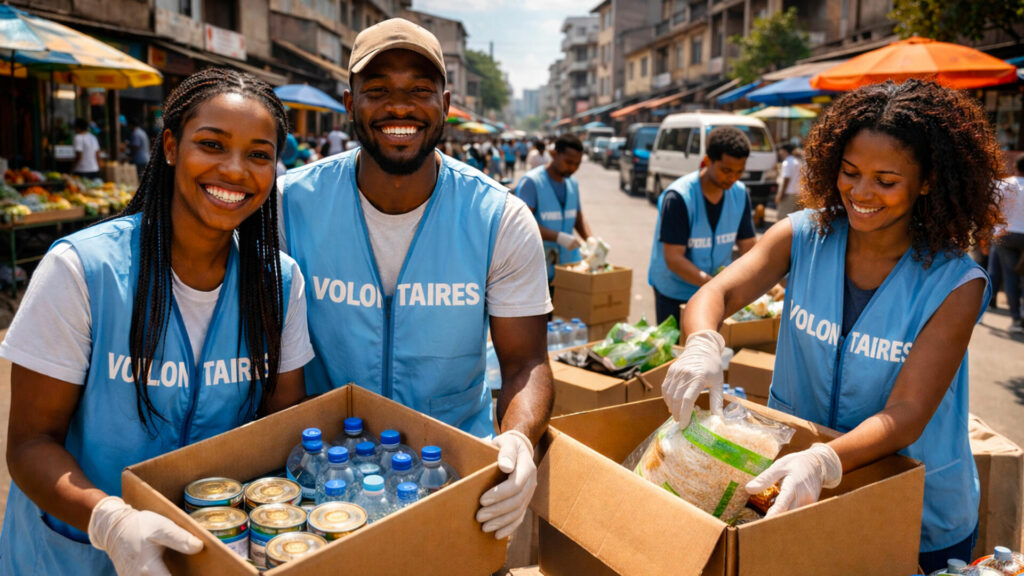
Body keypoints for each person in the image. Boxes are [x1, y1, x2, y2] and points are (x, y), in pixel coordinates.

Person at [661, 80, 1003, 573]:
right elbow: (718, 294)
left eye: (886, 181)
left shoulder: (955, 282)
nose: (861, 193)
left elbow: (908, 410)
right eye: (850, 172)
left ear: (927, 181)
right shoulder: (804, 235)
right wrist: (702, 343)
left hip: (913, 511)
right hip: (794, 491)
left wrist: (822, 461)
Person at [0, 68, 314, 575]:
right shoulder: (83, 270)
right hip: (73, 555)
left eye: (259, 154)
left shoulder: (278, 284)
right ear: (170, 146)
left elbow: (280, 426)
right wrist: (110, 522)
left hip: (208, 555)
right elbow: (31, 443)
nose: (235, 170)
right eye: (211, 144)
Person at [279, 18, 552, 543]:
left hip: (453, 478)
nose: (399, 107)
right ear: (349, 103)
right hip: (325, 483)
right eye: (377, 90)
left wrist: (518, 439)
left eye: (420, 91)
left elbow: (525, 361)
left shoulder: (499, 218)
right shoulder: (290, 206)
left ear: (445, 105)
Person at [647, 126, 757, 326]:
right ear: (707, 161)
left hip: (713, 290)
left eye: (739, 172)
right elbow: (673, 258)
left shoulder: (739, 194)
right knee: (675, 352)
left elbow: (748, 246)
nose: (732, 178)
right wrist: (715, 285)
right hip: (675, 291)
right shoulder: (679, 198)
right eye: (726, 170)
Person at [515, 134, 592, 284]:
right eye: (568, 162)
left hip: (568, 265)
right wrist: (558, 237)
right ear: (554, 154)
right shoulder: (531, 182)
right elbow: (522, 224)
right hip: (540, 266)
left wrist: (590, 239)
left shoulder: (572, 184)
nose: (572, 168)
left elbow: (577, 217)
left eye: (577, 164)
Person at [994, 156, 1024, 333]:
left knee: (1010, 276)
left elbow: (992, 209)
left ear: (1014, 166)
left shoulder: (1003, 184)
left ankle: (1016, 320)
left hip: (1005, 235)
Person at [774, 142, 802, 218]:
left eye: (781, 151)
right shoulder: (797, 161)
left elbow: (786, 179)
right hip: (798, 194)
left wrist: (780, 195)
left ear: (785, 151)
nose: (780, 153)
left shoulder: (786, 163)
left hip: (788, 194)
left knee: (782, 218)